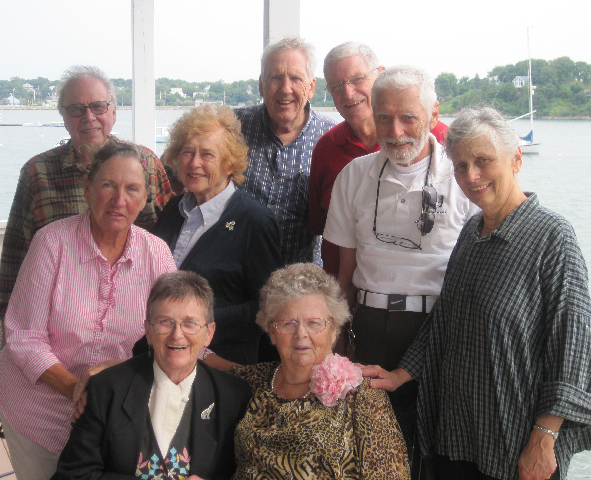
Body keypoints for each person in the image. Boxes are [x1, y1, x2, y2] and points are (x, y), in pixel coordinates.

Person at [363, 106, 591, 480]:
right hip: (454, 435)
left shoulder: (552, 237)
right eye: (460, 166)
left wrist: (544, 438)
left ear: (516, 159)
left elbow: (574, 349)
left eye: (483, 161)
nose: (471, 176)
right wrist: (400, 375)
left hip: (514, 445)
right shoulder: (471, 230)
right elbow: (446, 320)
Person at [0, 139, 177, 480]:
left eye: (132, 189)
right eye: (108, 185)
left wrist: (108, 385)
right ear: (88, 189)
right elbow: (25, 337)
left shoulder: (157, 254)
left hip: (111, 411)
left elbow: (168, 334)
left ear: (144, 199)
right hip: (37, 408)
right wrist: (79, 390)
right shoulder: (51, 243)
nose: (119, 200)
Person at [323, 66, 478, 454]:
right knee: (370, 449)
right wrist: (337, 338)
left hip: (439, 330)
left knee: (436, 449)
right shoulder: (353, 175)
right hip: (370, 327)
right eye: (384, 118)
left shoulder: (462, 178)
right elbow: (345, 272)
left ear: (434, 114)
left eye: (408, 117)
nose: (395, 132)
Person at [0, 65, 172, 317]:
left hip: (135, 313)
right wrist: (8, 317)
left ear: (113, 112)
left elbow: (169, 239)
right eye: (76, 109)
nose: (89, 117)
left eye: (98, 106)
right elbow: (15, 254)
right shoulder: (38, 173)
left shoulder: (147, 165)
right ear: (63, 117)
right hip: (59, 318)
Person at [207, 263, 410, 479]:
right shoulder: (255, 380)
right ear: (271, 332)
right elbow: (203, 359)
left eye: (314, 323)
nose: (301, 333)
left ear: (334, 331)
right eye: (288, 323)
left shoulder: (363, 396)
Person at [52, 271, 251, 480]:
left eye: (190, 323)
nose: (177, 334)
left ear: (209, 333)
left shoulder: (233, 398)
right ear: (148, 330)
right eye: (165, 322)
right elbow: (71, 476)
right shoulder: (107, 389)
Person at [153, 104, 282, 364]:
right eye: (187, 152)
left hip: (221, 365)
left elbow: (268, 306)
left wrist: (199, 322)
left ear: (230, 163)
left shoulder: (255, 221)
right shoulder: (172, 210)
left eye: (207, 154)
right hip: (162, 355)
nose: (194, 163)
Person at [310, 42, 449, 276]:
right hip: (348, 288)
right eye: (336, 85)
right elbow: (318, 226)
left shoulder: (440, 139)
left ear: (380, 74)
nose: (348, 93)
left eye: (357, 79)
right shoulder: (327, 148)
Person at [235, 37, 337, 265]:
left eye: (296, 78)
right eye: (275, 78)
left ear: (311, 87)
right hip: (237, 272)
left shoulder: (331, 139)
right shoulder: (233, 127)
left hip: (301, 278)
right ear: (261, 85)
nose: (285, 88)